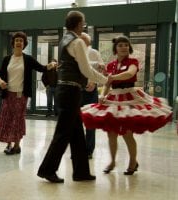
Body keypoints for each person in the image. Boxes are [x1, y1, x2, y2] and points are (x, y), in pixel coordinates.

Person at [81, 35, 172, 175]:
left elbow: (130, 74)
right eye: (120, 45)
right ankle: (112, 162)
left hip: (129, 97)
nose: (123, 47)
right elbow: (107, 83)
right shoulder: (110, 65)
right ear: (115, 49)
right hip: (113, 98)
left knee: (127, 133)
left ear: (129, 48)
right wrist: (103, 94)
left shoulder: (133, 61)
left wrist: (113, 77)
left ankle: (132, 162)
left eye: (125, 45)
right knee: (111, 133)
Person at [37, 10, 109, 183]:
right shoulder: (77, 42)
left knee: (77, 134)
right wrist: (106, 80)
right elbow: (85, 70)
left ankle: (81, 171)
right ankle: (47, 169)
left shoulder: (64, 40)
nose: (84, 25)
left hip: (66, 91)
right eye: (83, 22)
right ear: (79, 24)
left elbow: (79, 66)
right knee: (62, 133)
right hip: (70, 91)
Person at [0, 31, 56, 155]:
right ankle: (8, 144)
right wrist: (0, 81)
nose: (19, 42)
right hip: (8, 94)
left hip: (21, 95)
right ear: (13, 43)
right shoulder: (7, 59)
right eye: (17, 40)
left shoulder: (28, 59)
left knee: (18, 119)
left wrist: (50, 65)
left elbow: (41, 68)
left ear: (24, 44)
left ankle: (16, 145)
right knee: (7, 118)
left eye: (21, 41)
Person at [80, 32, 105, 159]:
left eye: (83, 40)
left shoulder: (94, 52)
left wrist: (94, 82)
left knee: (90, 122)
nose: (81, 41)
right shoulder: (75, 53)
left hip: (91, 90)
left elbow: (100, 68)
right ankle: (78, 149)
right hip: (78, 90)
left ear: (88, 42)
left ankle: (89, 150)